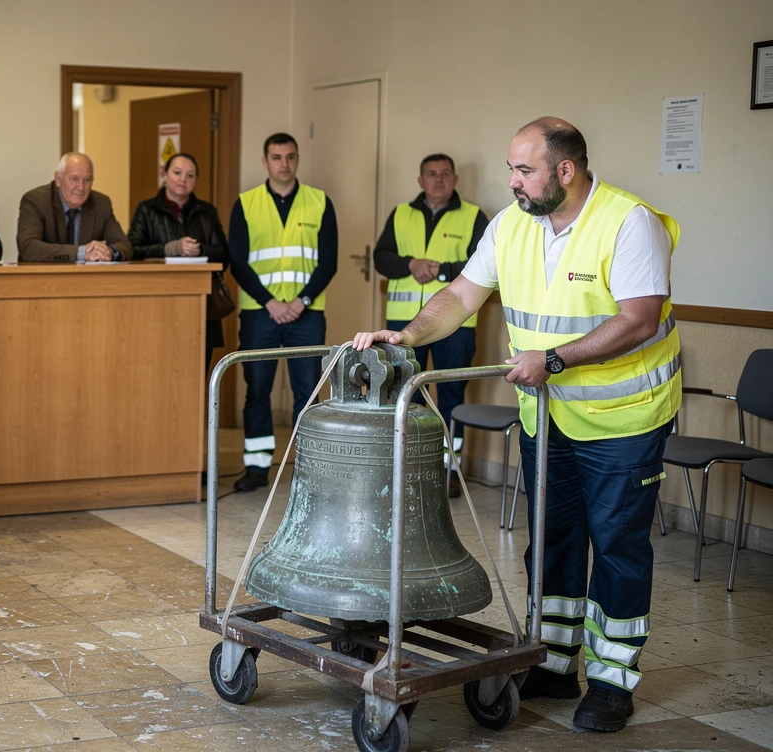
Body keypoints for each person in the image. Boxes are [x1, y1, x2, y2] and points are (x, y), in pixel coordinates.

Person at [353, 117, 680, 733]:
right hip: (548, 419)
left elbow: (639, 319)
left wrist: (553, 360)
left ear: (566, 170)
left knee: (616, 549)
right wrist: (408, 334)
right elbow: (460, 295)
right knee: (551, 543)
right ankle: (555, 662)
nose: (512, 182)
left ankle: (612, 680)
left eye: (524, 171)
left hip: (623, 422)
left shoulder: (630, 223)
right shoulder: (511, 225)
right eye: (511, 169)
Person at [373, 153, 490, 497]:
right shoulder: (401, 214)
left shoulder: (474, 216)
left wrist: (440, 270)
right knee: (402, 397)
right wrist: (410, 264)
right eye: (431, 174)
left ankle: (447, 470)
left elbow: (482, 265)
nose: (438, 180)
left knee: (450, 398)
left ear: (455, 179)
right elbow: (381, 258)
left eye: (444, 174)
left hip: (456, 327)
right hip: (404, 326)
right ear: (420, 181)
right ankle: (405, 466)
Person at [228, 133, 338, 492]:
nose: (284, 163)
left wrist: (300, 302)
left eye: (290, 157)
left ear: (298, 159)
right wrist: (270, 303)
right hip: (261, 313)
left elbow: (328, 263)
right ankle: (257, 468)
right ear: (265, 162)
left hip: (306, 314)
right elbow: (239, 263)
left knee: (307, 391)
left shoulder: (320, 202)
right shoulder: (246, 204)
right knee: (257, 389)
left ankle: (307, 468)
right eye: (276, 157)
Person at [127, 152, 229, 368]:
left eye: (190, 175)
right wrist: (169, 249)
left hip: (202, 309)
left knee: (198, 373)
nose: (183, 179)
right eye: (177, 172)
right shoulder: (147, 210)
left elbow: (224, 256)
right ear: (164, 174)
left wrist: (200, 249)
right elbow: (132, 252)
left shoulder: (206, 212)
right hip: (158, 305)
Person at [17, 153, 131, 262]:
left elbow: (124, 245)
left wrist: (108, 252)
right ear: (58, 179)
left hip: (88, 280)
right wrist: (81, 253)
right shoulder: (36, 201)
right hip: (44, 279)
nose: (81, 187)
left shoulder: (101, 203)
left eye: (87, 180)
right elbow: (28, 248)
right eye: (74, 179)